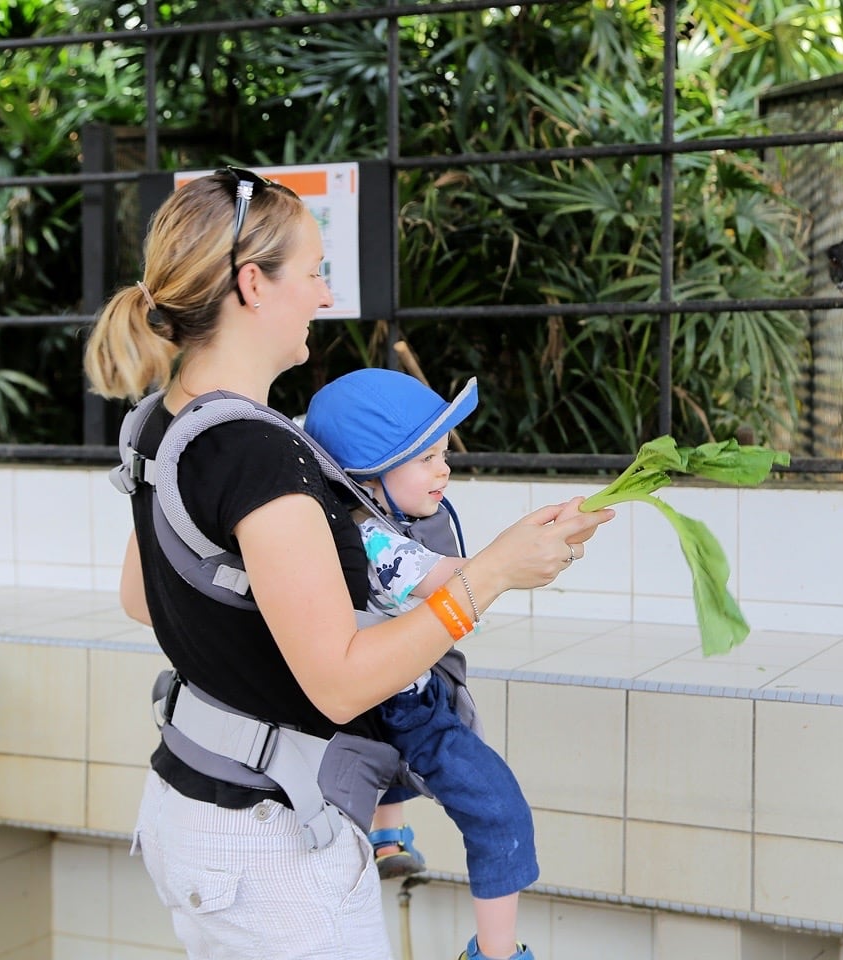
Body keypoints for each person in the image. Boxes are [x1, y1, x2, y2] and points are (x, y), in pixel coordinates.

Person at [81, 166, 614, 960]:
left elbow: (141, 596)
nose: (324, 295)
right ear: (252, 285)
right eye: (312, 272)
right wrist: (492, 573)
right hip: (271, 849)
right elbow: (340, 678)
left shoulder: (165, 422)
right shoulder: (262, 457)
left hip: (189, 806)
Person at [305, 366, 540, 960]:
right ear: (369, 477)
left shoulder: (364, 525)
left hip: (376, 696)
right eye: (425, 458)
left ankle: (388, 838)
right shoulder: (375, 544)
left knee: (391, 754)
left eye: (442, 454)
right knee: (498, 808)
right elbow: (457, 582)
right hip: (397, 704)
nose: (445, 469)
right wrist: (522, 551)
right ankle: (495, 952)